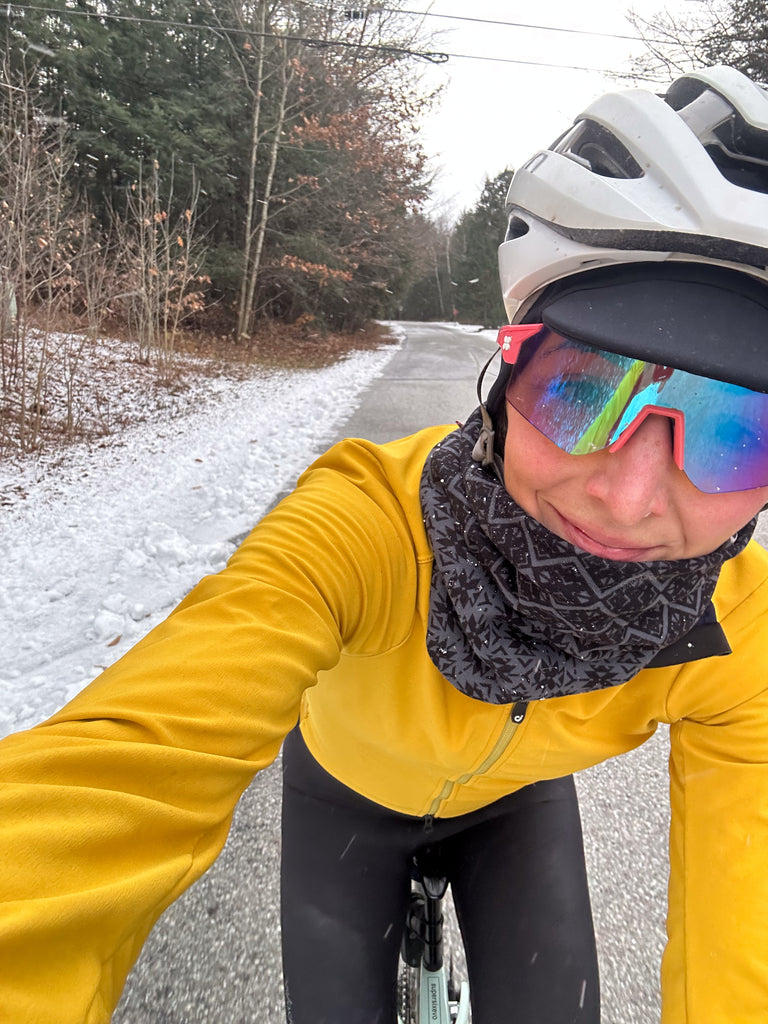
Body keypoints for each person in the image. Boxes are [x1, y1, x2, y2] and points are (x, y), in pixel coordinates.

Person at [2, 63, 768, 1024]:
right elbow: (113, 771)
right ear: (506, 369)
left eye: (739, 432)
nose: (626, 495)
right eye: (582, 387)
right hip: (344, 798)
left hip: (517, 809)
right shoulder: (364, 523)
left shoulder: (743, 629)